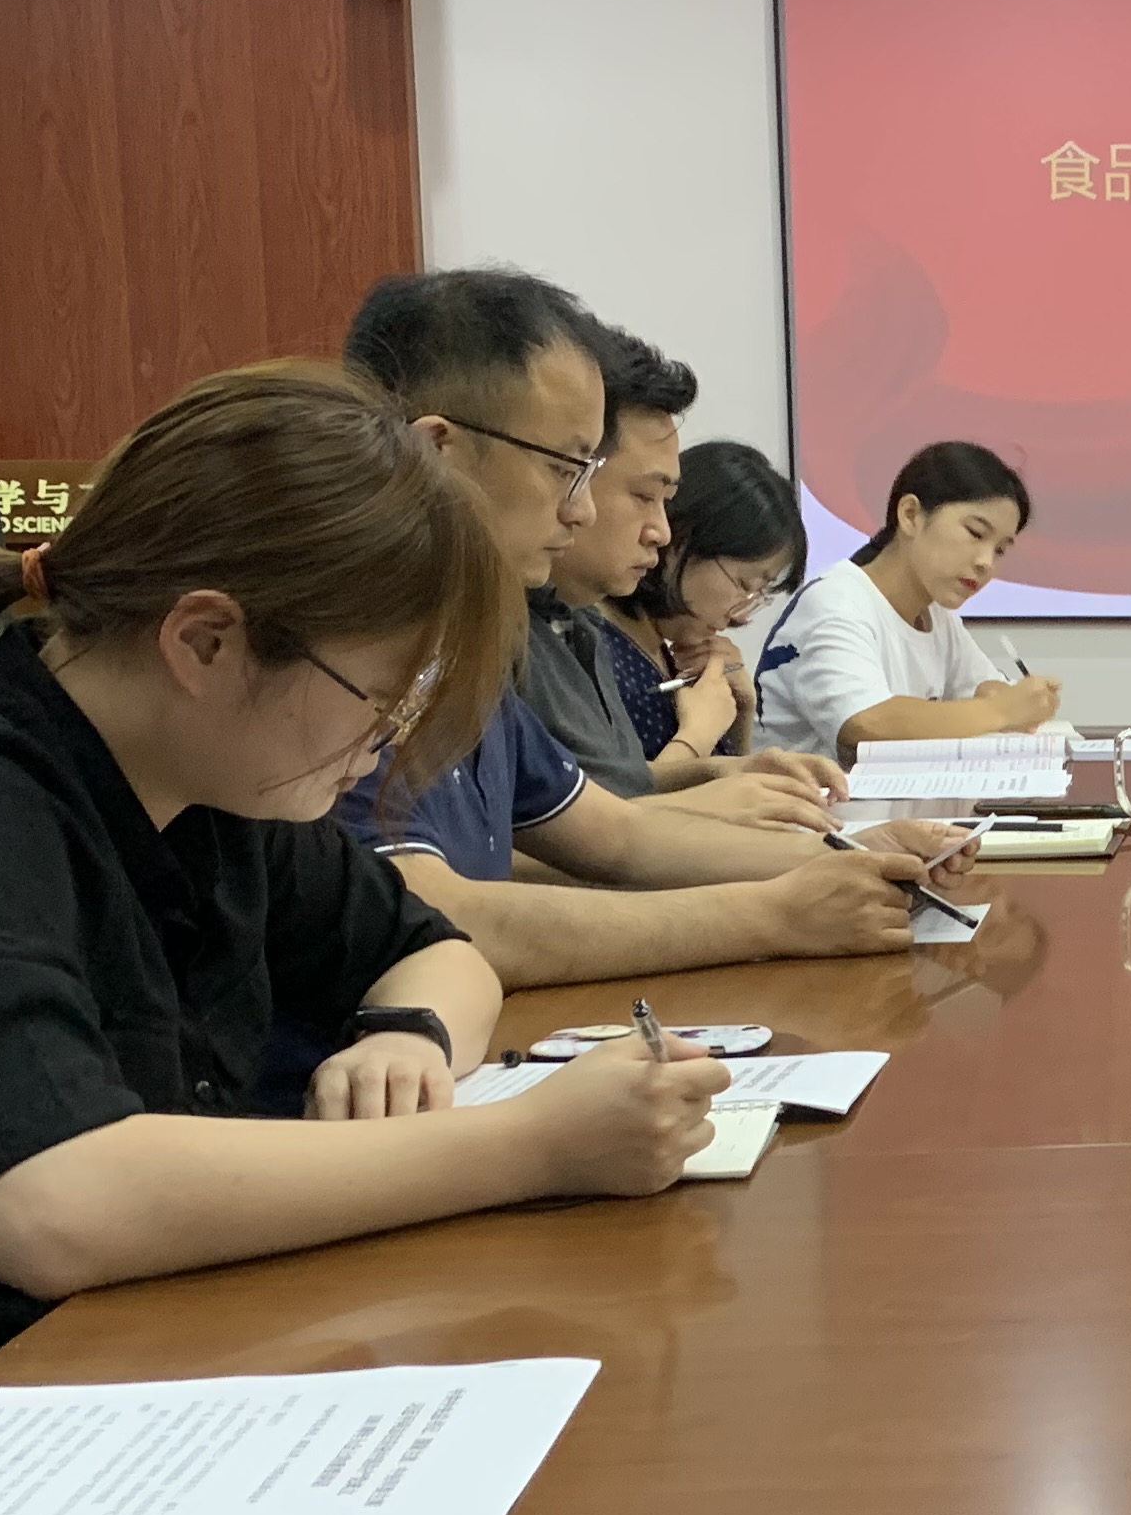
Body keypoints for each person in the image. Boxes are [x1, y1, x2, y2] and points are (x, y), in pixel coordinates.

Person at [0, 363, 728, 1511]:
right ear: (205, 642)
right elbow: (52, 1202)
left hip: (56, 1379)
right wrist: (531, 1147)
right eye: (385, 696)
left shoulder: (212, 786)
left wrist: (408, 1031)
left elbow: (436, 947)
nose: (389, 742)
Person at [336, 270, 975, 988]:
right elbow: (435, 914)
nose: (579, 512)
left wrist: (850, 852)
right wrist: (772, 915)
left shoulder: (460, 650)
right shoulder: (343, 652)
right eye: (565, 470)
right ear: (437, 452)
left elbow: (617, 835)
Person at [516, 324, 843, 828]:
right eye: (745, 583)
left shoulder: (576, 624)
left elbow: (606, 798)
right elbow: (588, 832)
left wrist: (735, 760)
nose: (660, 532)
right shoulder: (525, 633)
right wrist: (699, 742)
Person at [754, 441, 1064, 761]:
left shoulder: (937, 617)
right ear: (911, 515)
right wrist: (999, 711)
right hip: (800, 793)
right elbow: (865, 722)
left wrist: (1011, 699)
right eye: (975, 533)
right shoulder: (834, 601)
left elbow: (985, 690)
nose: (986, 562)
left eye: (1000, 550)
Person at [609, 439, 808, 783]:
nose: (740, 616)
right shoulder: (596, 647)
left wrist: (740, 714)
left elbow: (726, 794)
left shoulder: (660, 649)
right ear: (680, 542)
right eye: (745, 584)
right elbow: (612, 802)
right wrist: (698, 735)